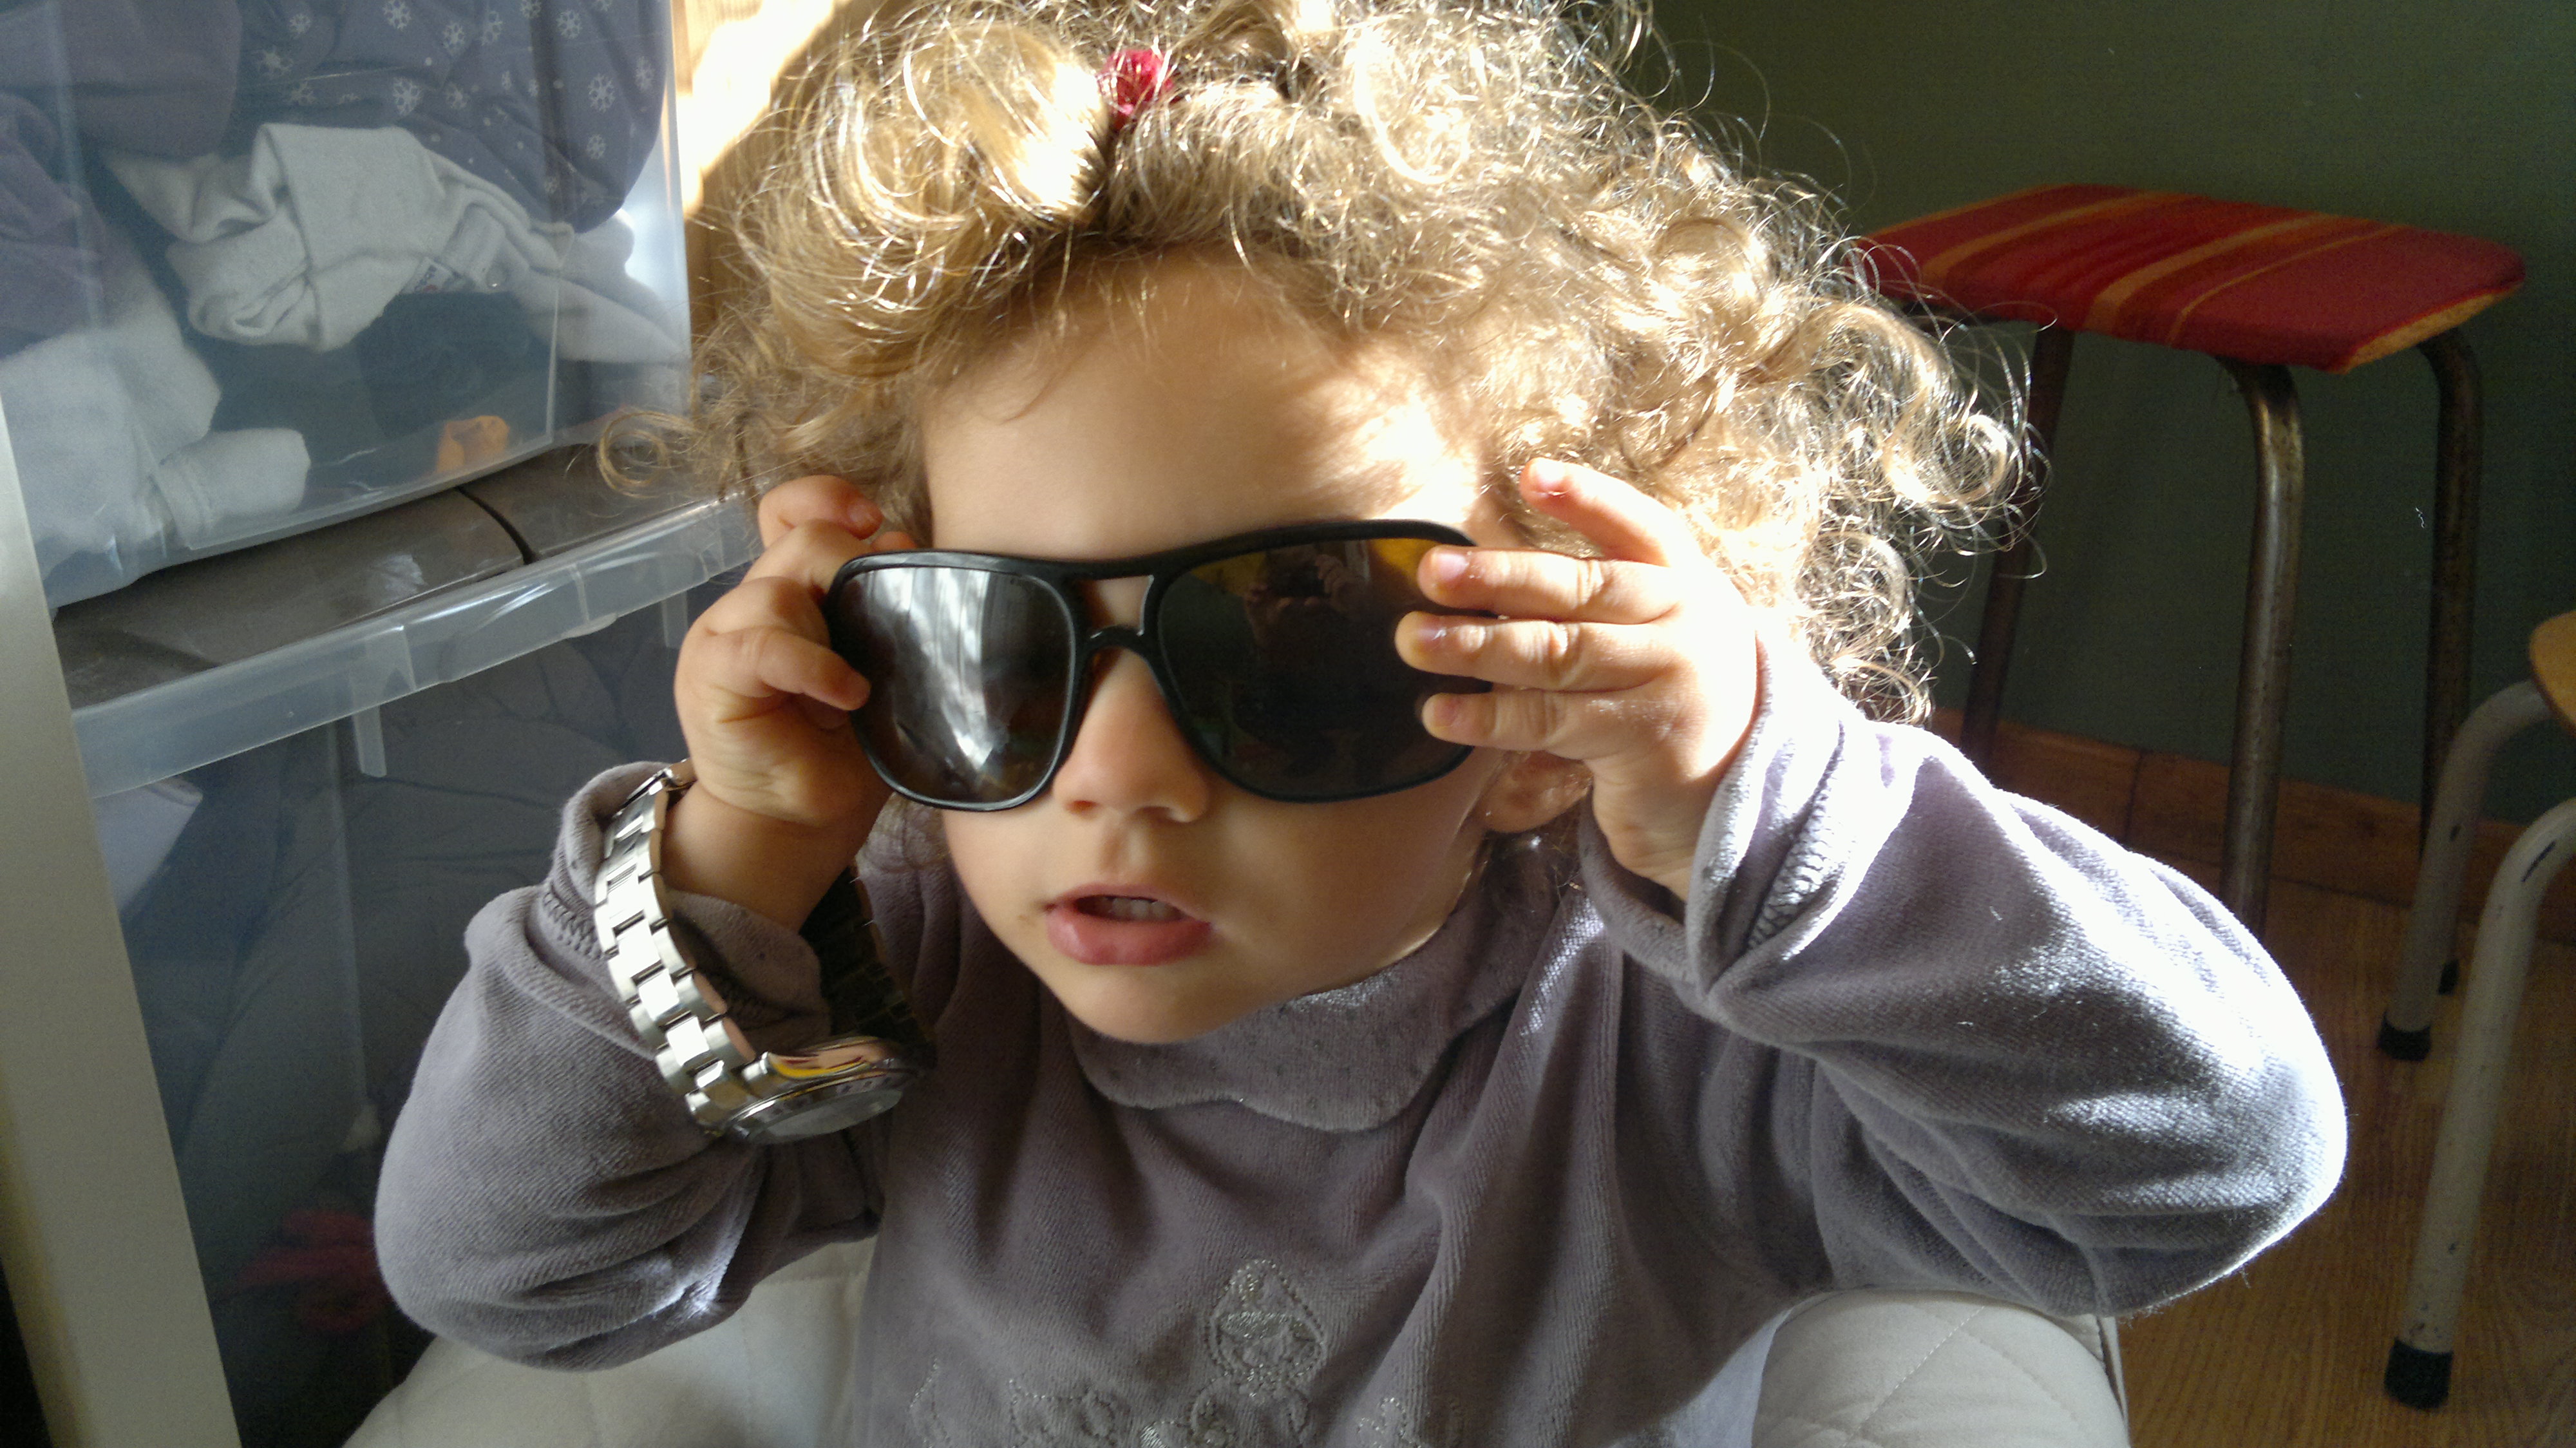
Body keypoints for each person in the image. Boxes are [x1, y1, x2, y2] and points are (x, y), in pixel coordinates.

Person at [376, 1, 2345, 1442]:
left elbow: (2215, 1167)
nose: (1116, 778)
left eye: (1299, 639)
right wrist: (732, 869)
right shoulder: (925, 963)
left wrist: (1764, 801)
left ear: (1543, 699)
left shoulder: (1676, 1050)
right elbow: (509, 1277)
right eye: (997, 644)